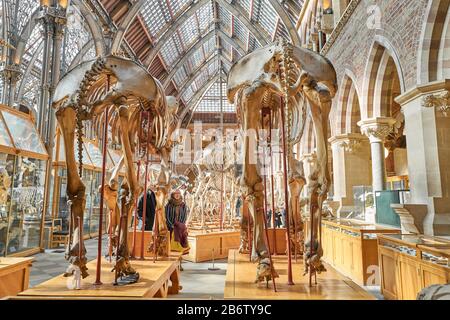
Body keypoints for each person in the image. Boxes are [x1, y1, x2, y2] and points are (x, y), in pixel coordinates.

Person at [165, 189, 190, 254]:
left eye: (178, 193)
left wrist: (181, 225)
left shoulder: (183, 205)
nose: (177, 195)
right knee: (170, 245)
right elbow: (167, 216)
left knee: (181, 244)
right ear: (173, 195)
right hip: (171, 227)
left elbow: (185, 215)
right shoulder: (169, 204)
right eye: (175, 193)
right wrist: (171, 225)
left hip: (180, 227)